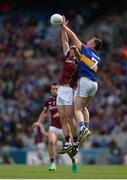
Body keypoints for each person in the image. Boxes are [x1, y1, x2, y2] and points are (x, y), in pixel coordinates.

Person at [61, 16, 102, 144]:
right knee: (84, 108)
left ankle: (83, 128)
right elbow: (82, 60)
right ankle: (87, 128)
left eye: (90, 40)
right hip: (94, 84)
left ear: (93, 45)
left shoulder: (86, 49)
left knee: (77, 109)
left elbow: (73, 36)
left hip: (85, 81)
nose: (88, 41)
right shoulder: (97, 58)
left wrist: (64, 26)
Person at [32, 82, 78, 172]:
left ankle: (73, 160)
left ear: (59, 90)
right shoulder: (48, 101)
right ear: (50, 90)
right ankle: (52, 163)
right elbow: (44, 112)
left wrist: (60, 113)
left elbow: (71, 111)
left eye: (56, 89)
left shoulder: (65, 99)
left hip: (65, 128)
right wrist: (38, 122)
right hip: (54, 127)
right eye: (53, 89)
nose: (54, 90)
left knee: (69, 149)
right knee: (51, 142)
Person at [56, 25, 81, 153]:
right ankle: (67, 141)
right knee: (62, 118)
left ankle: (75, 141)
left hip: (70, 90)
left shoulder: (79, 62)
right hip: (61, 89)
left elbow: (72, 40)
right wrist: (62, 27)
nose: (70, 49)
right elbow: (64, 41)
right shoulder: (67, 57)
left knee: (69, 117)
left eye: (72, 48)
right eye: (70, 48)